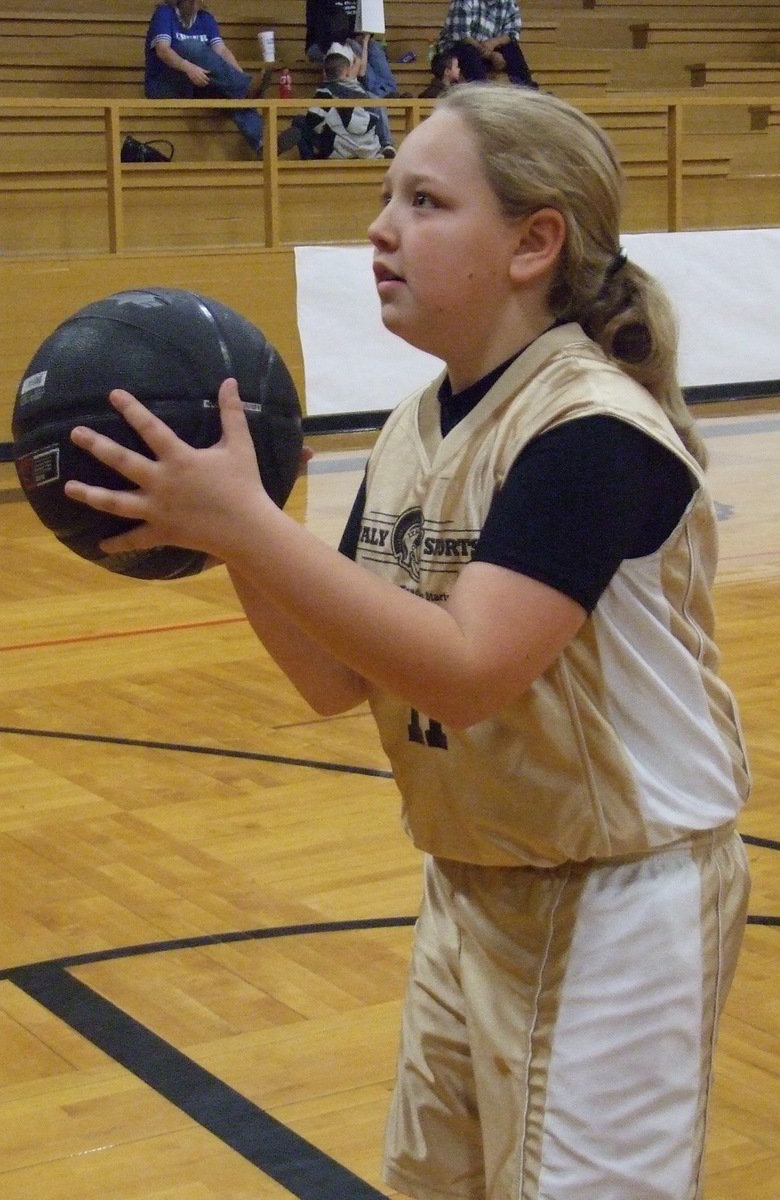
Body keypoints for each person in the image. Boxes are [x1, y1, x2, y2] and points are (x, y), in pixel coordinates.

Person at [64, 85, 752, 1200]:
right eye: (385, 197)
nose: (381, 228)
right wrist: (237, 531)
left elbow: (470, 670)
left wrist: (242, 521)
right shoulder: (414, 428)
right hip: (476, 881)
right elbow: (337, 676)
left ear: (535, 243)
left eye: (424, 201)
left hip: (627, 899)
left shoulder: (592, 432)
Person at [144, 0, 270, 156]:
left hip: (197, 83)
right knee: (192, 46)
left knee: (234, 94)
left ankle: (264, 145)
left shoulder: (205, 18)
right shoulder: (165, 12)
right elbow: (162, 50)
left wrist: (240, 76)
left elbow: (222, 51)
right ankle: (244, 88)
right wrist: (188, 67)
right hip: (165, 84)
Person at [305, 0, 405, 98]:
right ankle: (379, 93)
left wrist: (365, 35)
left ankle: (390, 90)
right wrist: (352, 40)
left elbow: (366, 20)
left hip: (352, 38)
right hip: (321, 44)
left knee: (375, 48)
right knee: (356, 49)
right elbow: (320, 30)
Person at [436, 0, 537, 88]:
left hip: (486, 50)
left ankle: (528, 90)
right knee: (467, 50)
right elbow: (462, 37)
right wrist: (491, 55)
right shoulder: (464, 1)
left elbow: (513, 33)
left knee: (512, 48)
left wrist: (495, 42)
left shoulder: (509, 2)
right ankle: (481, 92)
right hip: (455, 52)